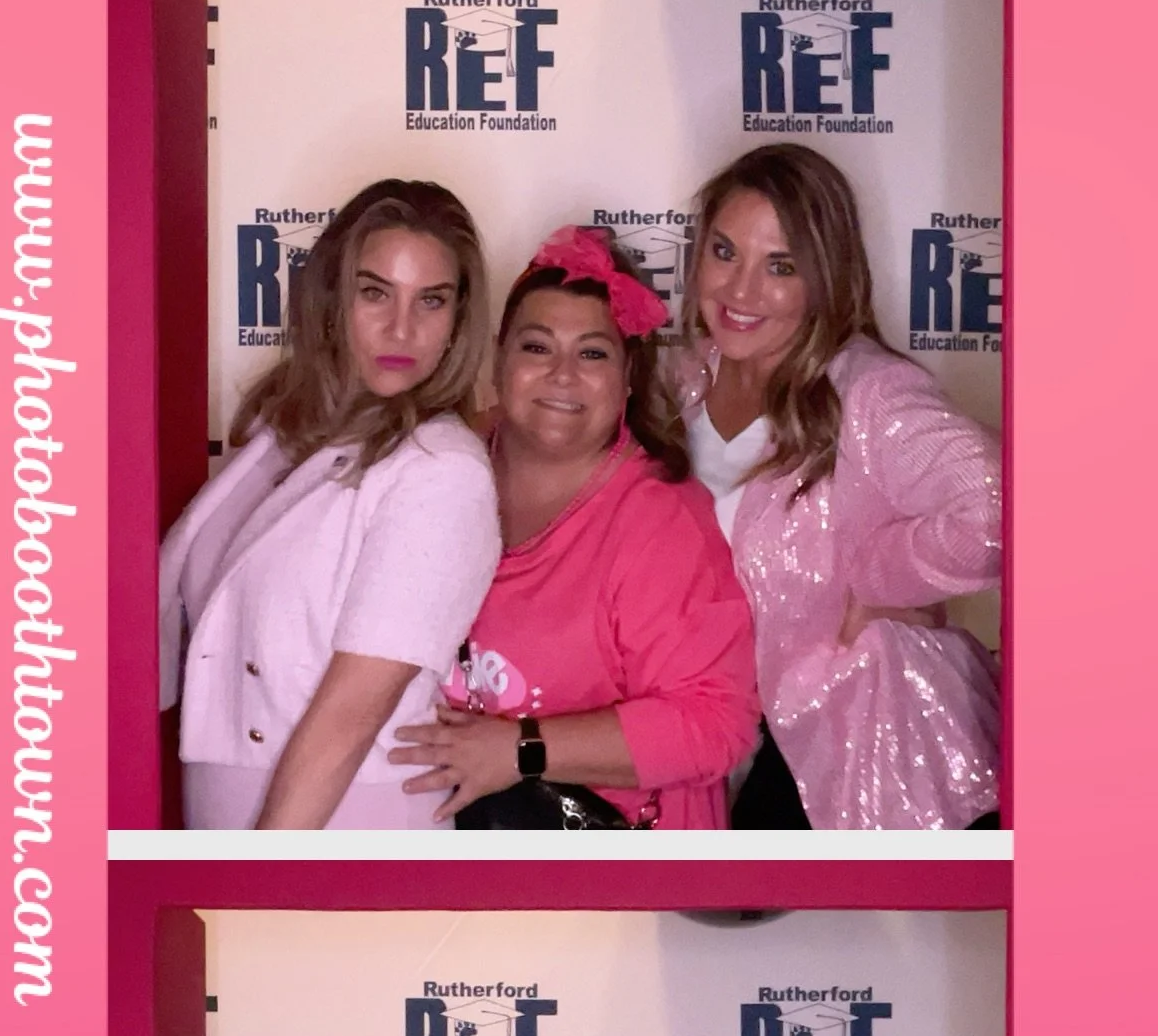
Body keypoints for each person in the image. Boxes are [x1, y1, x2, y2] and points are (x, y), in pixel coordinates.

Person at [393, 225, 760, 830]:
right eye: (537, 347)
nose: (562, 374)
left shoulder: (661, 520)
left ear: (629, 377)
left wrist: (521, 750)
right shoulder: (438, 464)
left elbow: (716, 724)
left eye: (592, 353)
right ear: (499, 360)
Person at [159, 179, 500, 830]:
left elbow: (351, 715)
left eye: (431, 300)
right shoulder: (281, 432)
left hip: (342, 824)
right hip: (222, 807)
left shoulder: (442, 470)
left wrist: (264, 871)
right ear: (331, 297)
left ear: (458, 321)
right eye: (375, 292)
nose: (401, 328)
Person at [678, 149, 1001, 830]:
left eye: (781, 266)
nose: (741, 289)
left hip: (856, 754)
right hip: (715, 734)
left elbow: (1000, 510)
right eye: (725, 252)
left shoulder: (869, 393)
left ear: (824, 277)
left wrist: (877, 576)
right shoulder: (686, 378)